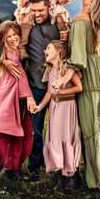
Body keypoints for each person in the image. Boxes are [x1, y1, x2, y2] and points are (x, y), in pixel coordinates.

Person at [52, 0, 100, 190]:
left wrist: (64, 77)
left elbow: (79, 57)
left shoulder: (81, 22)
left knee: (88, 127)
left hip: (86, 76)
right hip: (98, 73)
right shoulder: (96, 26)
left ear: (93, 4)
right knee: (97, 126)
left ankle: (95, 179)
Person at [4, 0, 68, 180]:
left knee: (62, 130)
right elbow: (4, 43)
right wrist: (4, 61)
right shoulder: (22, 24)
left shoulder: (61, 23)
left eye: (40, 10)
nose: (37, 14)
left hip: (60, 87)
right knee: (34, 131)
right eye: (34, 10)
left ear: (49, 6)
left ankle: (63, 170)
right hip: (35, 87)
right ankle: (35, 170)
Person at [0, 20, 36, 180]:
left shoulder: (15, 50)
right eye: (8, 36)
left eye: (15, 34)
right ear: (3, 39)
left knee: (15, 132)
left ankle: (10, 168)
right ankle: (7, 169)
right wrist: (30, 96)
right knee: (11, 133)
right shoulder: (9, 54)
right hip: (10, 99)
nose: (12, 38)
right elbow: (21, 75)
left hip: (14, 98)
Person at [12, 0, 100, 60]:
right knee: (27, 19)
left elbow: (59, 3)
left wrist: (61, 2)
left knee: (61, 18)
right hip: (39, 2)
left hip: (52, 6)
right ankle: (22, 46)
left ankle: (62, 43)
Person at [31, 40, 82, 190]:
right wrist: (40, 107)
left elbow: (79, 87)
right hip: (54, 107)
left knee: (67, 138)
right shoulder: (49, 69)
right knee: (55, 138)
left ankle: (72, 176)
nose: (45, 51)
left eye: (48, 48)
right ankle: (60, 174)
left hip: (67, 107)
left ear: (59, 51)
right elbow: (49, 92)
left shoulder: (68, 68)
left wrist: (63, 91)